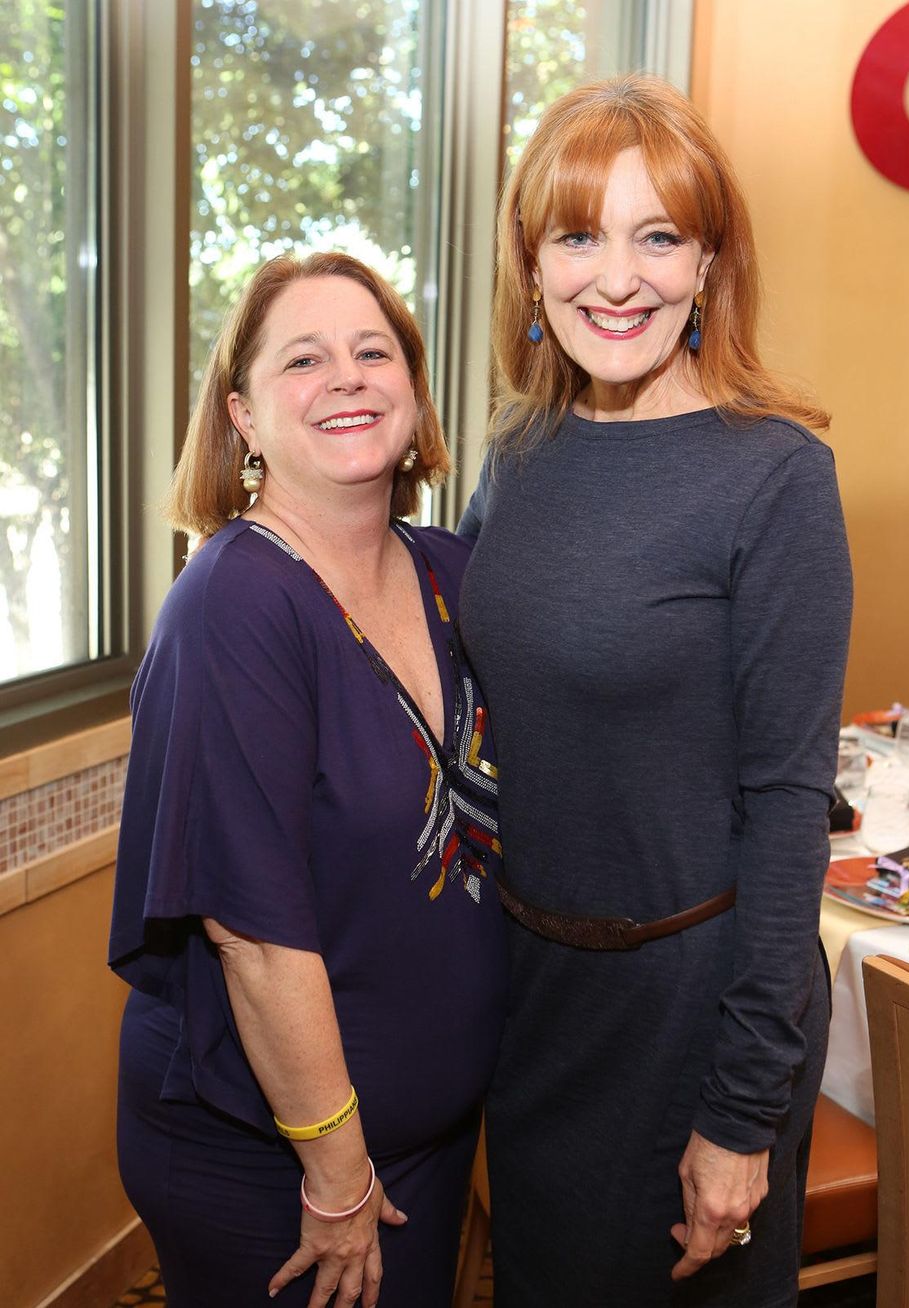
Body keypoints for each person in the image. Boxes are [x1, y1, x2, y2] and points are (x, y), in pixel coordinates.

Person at [457, 74, 852, 1307]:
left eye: (657, 237)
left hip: (692, 1017)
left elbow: (788, 812)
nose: (613, 278)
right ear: (530, 264)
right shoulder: (514, 457)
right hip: (537, 1003)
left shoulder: (772, 478)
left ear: (705, 265)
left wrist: (740, 1115)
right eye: (577, 235)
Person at [109, 251, 508, 1308]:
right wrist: (333, 1173)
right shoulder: (235, 606)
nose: (347, 376)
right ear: (241, 417)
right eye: (304, 359)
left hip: (422, 1139)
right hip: (274, 1158)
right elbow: (253, 932)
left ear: (413, 391)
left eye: (372, 351)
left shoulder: (449, 575)